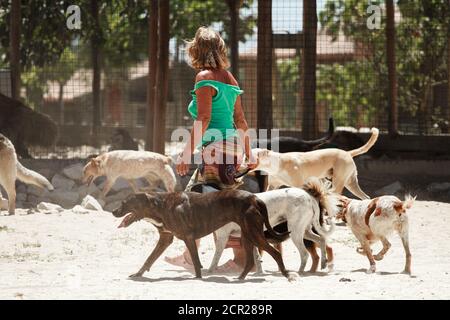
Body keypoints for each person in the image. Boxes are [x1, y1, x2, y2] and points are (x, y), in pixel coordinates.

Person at [164, 27, 256, 273]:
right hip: (232, 149)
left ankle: (241, 259)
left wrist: (185, 154)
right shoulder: (231, 79)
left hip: (215, 150)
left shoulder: (204, 78)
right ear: (220, 49)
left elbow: (203, 118)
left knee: (204, 203)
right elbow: (241, 121)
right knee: (216, 201)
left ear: (196, 50)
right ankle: (192, 254)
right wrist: (250, 153)